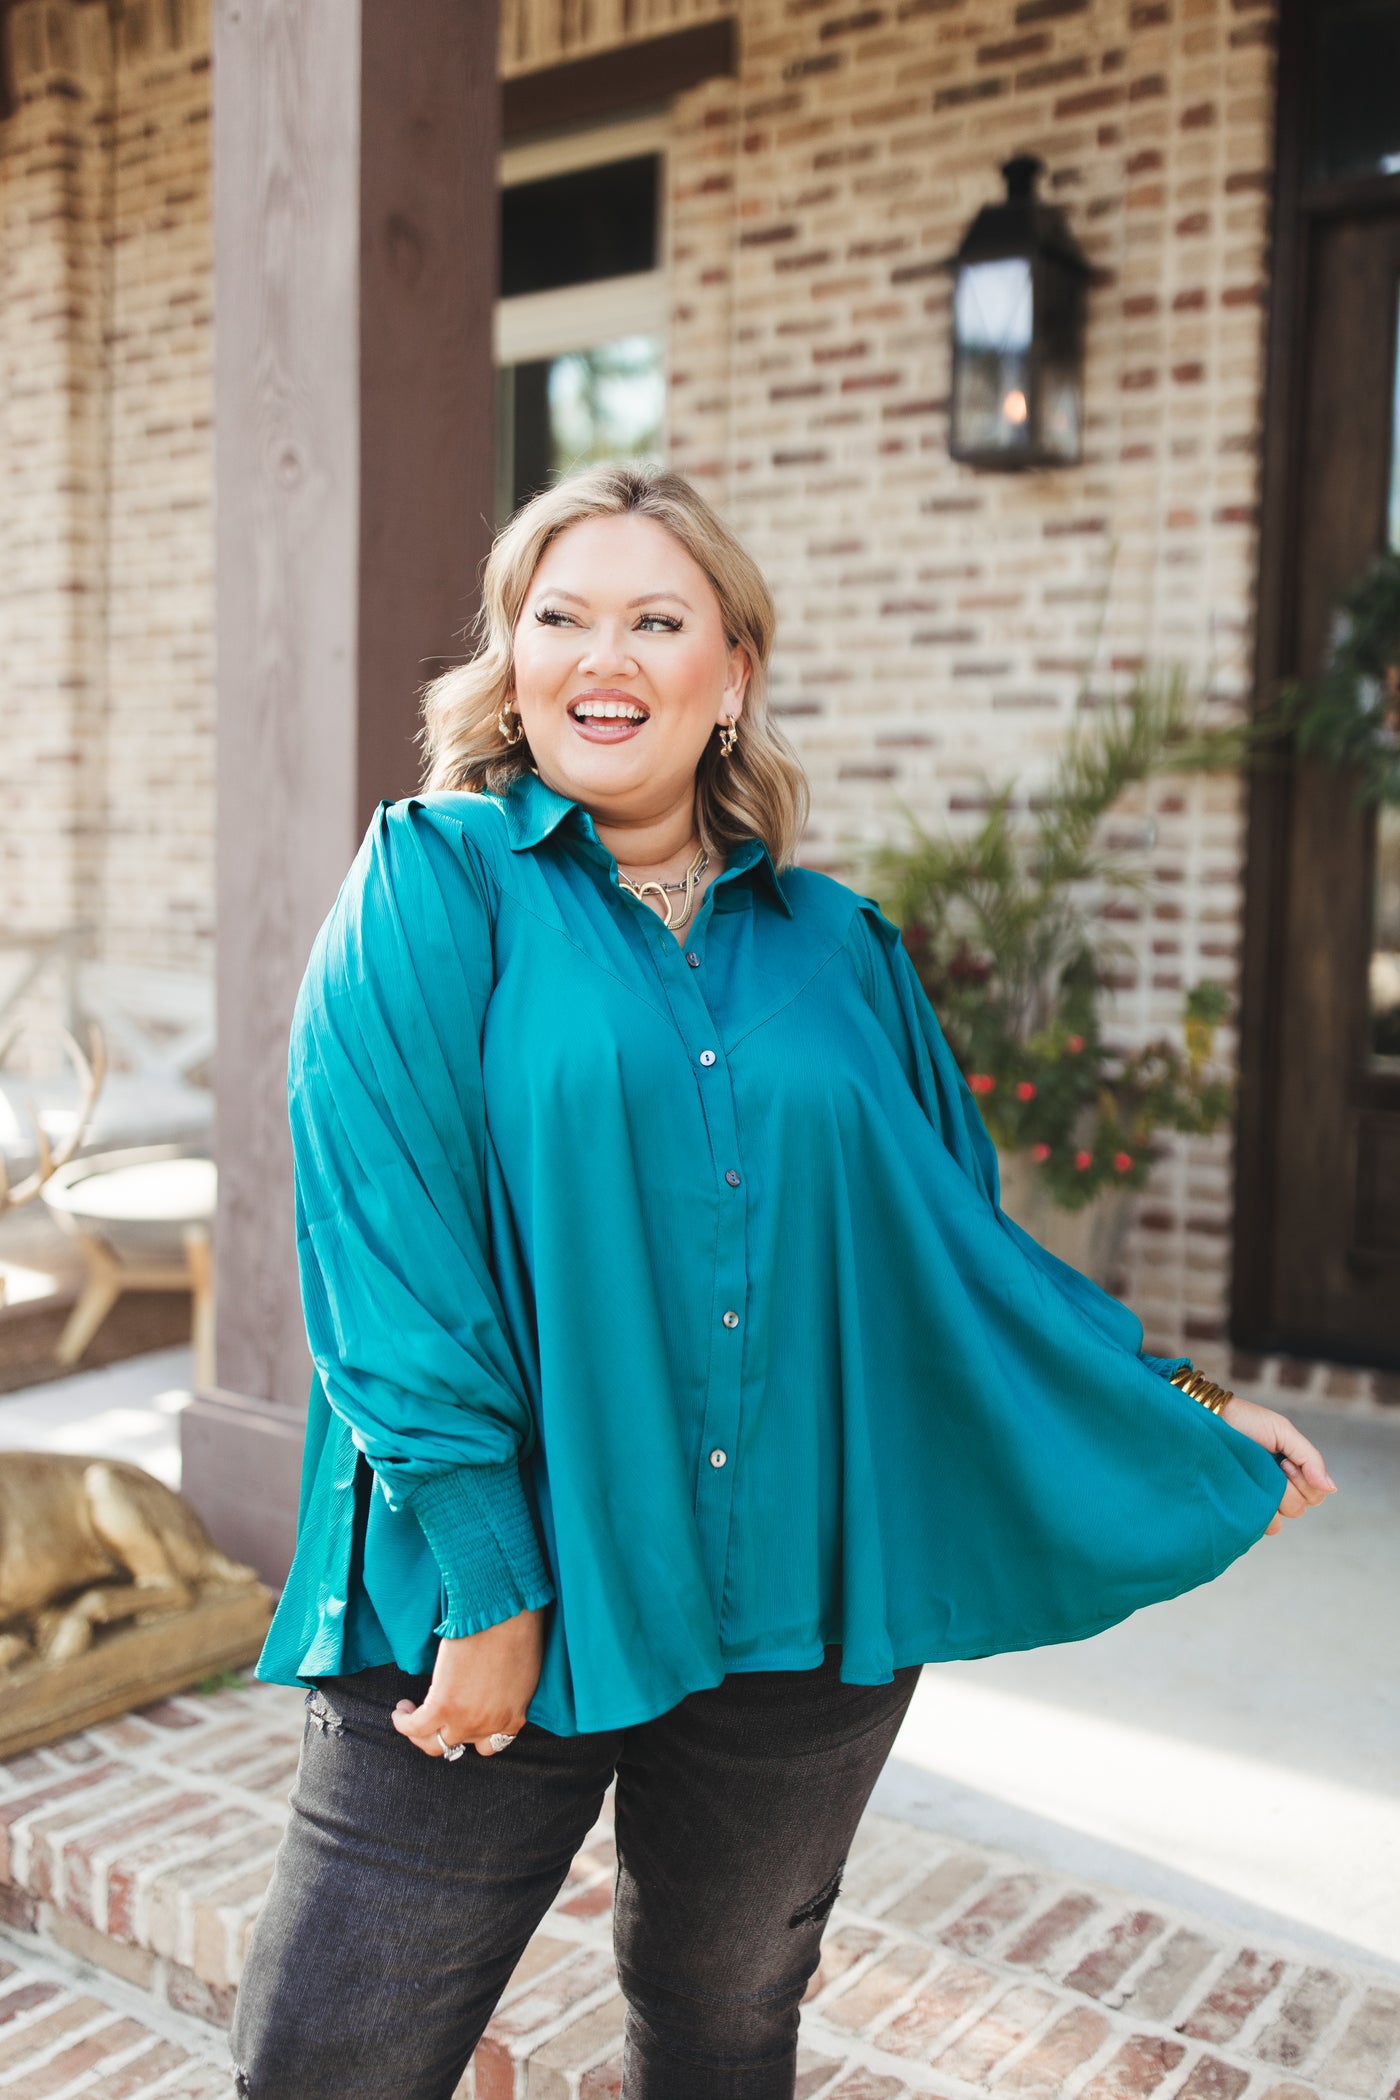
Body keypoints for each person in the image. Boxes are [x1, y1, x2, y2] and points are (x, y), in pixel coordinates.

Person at [229, 464, 1334, 2100]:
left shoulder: (842, 948)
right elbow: (383, 1237)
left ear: (730, 674)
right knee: (334, 2058)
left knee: (727, 2021)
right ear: (512, 664)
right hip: (489, 1602)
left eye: (657, 620)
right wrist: (487, 1571)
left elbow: (950, 1249)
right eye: (561, 617)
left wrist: (1167, 1395)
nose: (605, 656)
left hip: (795, 1607)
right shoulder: (437, 881)